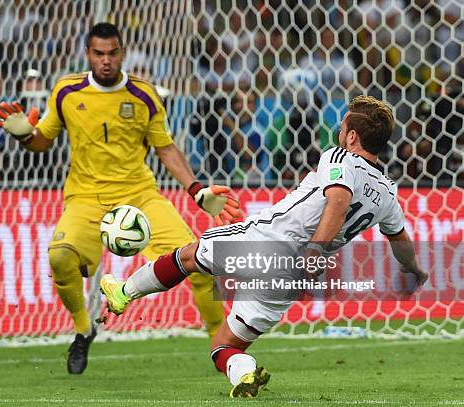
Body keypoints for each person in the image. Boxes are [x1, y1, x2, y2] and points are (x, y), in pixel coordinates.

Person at [100, 95, 428, 397]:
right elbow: (400, 240)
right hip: (293, 277)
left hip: (268, 244)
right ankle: (245, 372)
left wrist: (314, 248)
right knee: (224, 346)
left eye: (343, 126)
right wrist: (413, 269)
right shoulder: (387, 193)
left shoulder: (339, 157)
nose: (339, 131)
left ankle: (124, 293)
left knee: (187, 255)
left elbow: (339, 199)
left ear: (352, 136)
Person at [0, 23, 241, 374]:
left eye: (112, 53)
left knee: (199, 260)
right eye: (98, 54)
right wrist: (23, 135)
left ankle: (223, 345)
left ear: (122, 53)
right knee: (60, 258)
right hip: (85, 197)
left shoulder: (143, 94)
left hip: (139, 194)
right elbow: (42, 140)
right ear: (88, 55)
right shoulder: (67, 91)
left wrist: (197, 190)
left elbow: (164, 147)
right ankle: (83, 327)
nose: (105, 61)